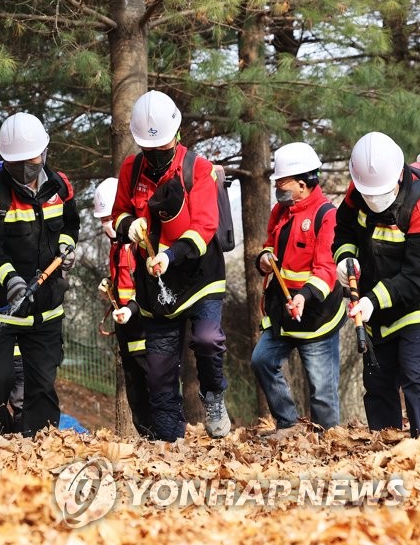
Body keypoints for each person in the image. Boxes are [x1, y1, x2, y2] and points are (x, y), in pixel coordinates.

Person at [111, 90, 230, 441]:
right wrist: (126, 225)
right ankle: (168, 442)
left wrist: (170, 254)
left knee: (207, 340)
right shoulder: (131, 170)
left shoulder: (200, 169)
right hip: (155, 282)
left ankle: (213, 396)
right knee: (159, 371)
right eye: (149, 150)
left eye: (161, 148)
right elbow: (119, 213)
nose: (155, 156)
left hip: (200, 275)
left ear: (176, 136)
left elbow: (205, 227)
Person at [0, 112, 79, 436]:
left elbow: (71, 225)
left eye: (32, 162)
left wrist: (66, 248)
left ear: (44, 153)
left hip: (46, 312)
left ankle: (38, 453)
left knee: (42, 386)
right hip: (0, 311)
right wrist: (10, 278)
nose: (27, 171)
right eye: (17, 165)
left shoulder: (60, 185)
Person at [333, 131, 420, 438]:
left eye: (380, 194)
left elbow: (416, 276)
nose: (373, 200)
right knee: (378, 380)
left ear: (399, 175)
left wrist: (371, 301)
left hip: (418, 305)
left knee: (416, 375)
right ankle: (383, 453)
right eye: (367, 194)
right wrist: (346, 259)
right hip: (375, 307)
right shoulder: (357, 189)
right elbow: (344, 231)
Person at [251, 143, 345, 433]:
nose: (277, 187)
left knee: (321, 391)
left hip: (317, 317)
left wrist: (304, 296)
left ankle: (328, 441)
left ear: (302, 184)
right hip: (283, 314)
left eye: (282, 182)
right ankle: (288, 423)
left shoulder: (326, 215)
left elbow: (326, 268)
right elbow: (270, 246)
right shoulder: (279, 211)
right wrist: (264, 259)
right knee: (262, 360)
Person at [94, 176, 152, 438]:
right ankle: (146, 437)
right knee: (135, 389)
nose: (106, 225)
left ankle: (161, 439)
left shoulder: (141, 246)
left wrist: (132, 308)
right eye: (102, 221)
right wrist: (110, 284)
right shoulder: (116, 247)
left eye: (108, 218)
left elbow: (151, 289)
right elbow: (123, 280)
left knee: (153, 387)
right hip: (127, 332)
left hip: (146, 331)